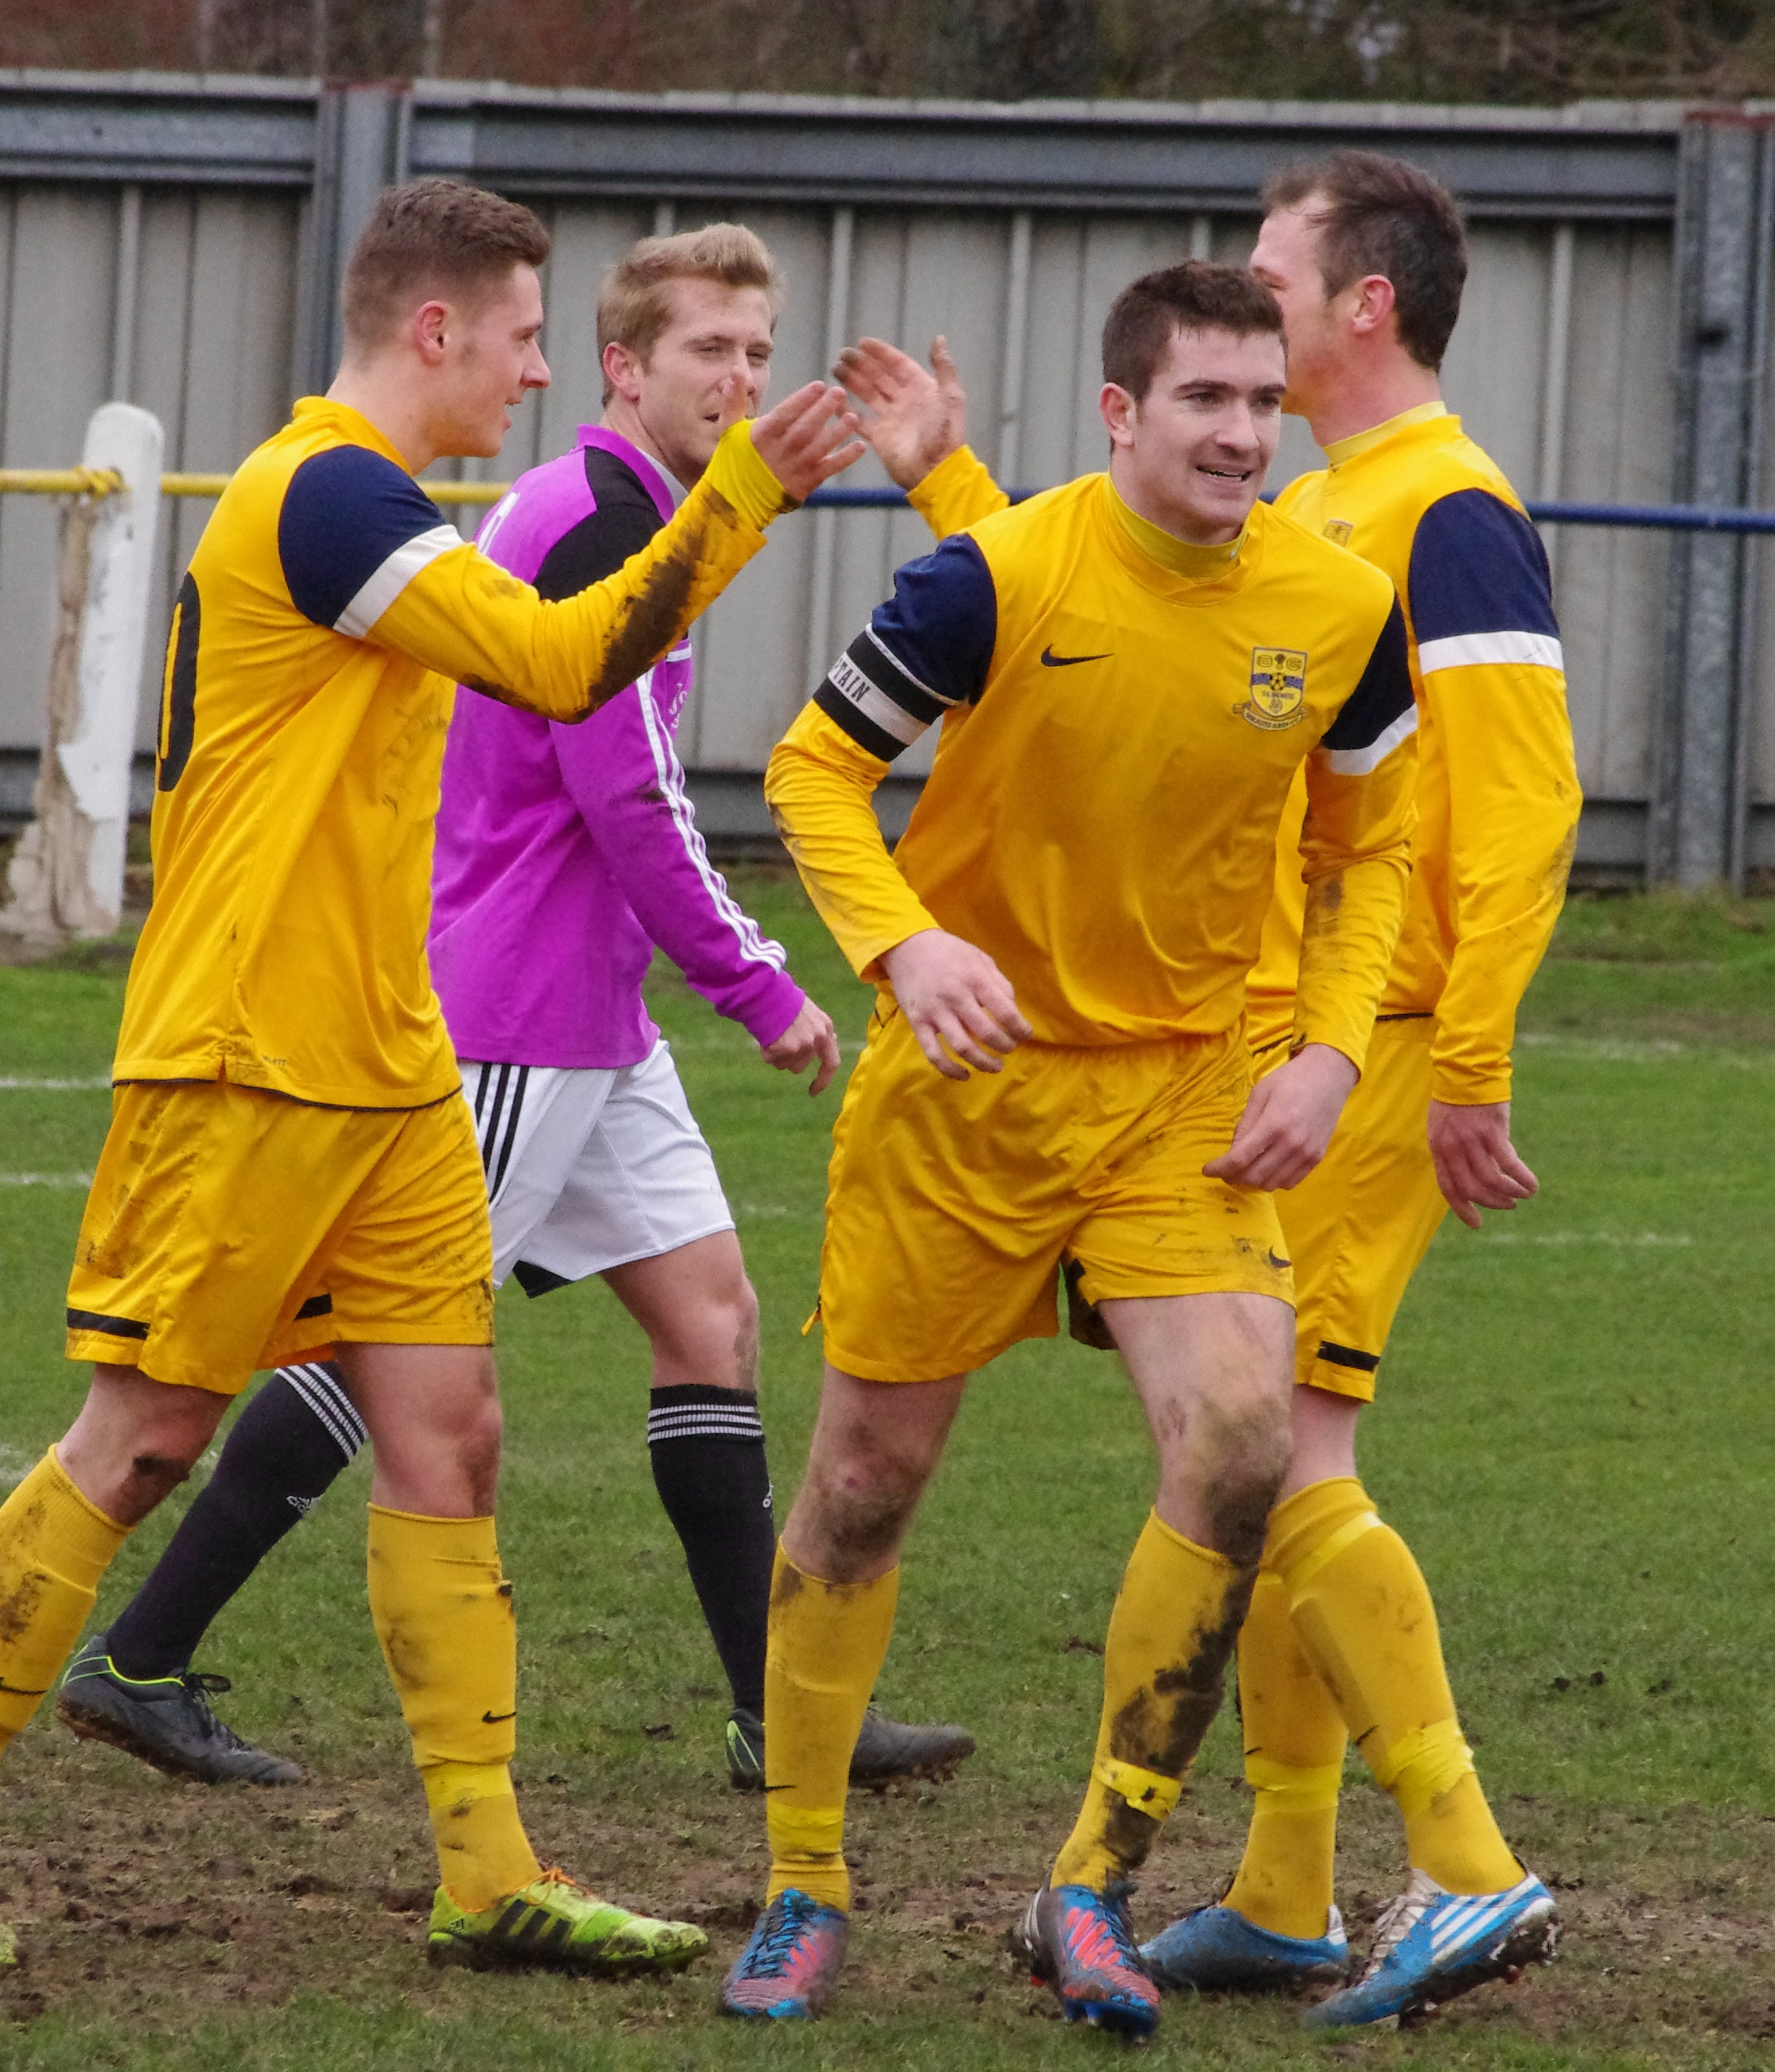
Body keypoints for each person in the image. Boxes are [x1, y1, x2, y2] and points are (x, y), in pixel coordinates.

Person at [0, 175, 863, 1978]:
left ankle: (484, 1871)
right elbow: (563, 663)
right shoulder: (321, 491)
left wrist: (731, 504)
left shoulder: (383, 507)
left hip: (385, 1056)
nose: (545, 376)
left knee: (448, 1439)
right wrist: (748, 494)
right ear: (437, 328)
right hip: (245, 1047)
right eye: (534, 337)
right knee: (142, 1436)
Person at [843, 147, 1578, 2031]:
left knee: (1277, 1450)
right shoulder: (1336, 507)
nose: (1244, 319)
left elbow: (1504, 817)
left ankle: (1471, 1867)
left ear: (1361, 307)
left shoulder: (1448, 520)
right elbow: (1101, 640)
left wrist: (1449, 1063)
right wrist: (948, 482)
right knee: (1252, 1458)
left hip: (1360, 1054)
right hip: (1252, 1045)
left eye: (1271, 278)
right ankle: (1279, 1885)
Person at [717, 260, 1421, 2035]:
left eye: (1263, 401)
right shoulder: (994, 575)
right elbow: (809, 771)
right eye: (1204, 400)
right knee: (866, 1482)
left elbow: (1370, 857)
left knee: (1245, 1445)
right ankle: (803, 1875)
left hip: (1183, 1096)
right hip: (964, 1093)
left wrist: (1332, 1049)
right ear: (1121, 415)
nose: (1242, 434)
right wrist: (906, 941)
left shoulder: (1341, 607)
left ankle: (1089, 1882)